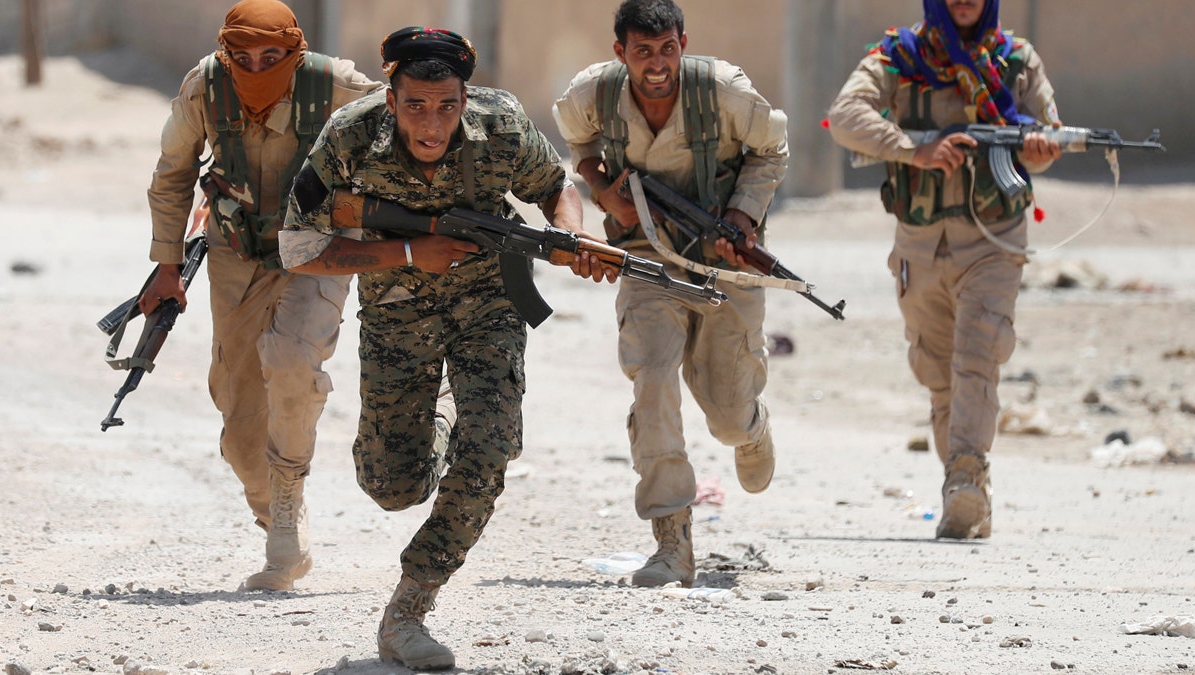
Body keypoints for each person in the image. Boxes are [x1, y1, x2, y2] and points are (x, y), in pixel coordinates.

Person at [279, 26, 615, 670]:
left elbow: (555, 185)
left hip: (490, 306)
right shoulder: (349, 136)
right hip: (396, 316)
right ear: (389, 96)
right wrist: (409, 250)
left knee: (489, 449)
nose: (432, 125)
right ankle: (438, 422)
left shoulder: (503, 123)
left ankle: (409, 608)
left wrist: (571, 235)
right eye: (415, 106)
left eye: (447, 105)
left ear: (466, 95)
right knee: (392, 486)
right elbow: (300, 248)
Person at [139, 0, 385, 591]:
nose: (255, 68)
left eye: (271, 57)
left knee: (294, 360)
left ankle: (285, 516)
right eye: (242, 56)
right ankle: (280, 512)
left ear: (295, 52)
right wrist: (166, 265)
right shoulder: (206, 86)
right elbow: (172, 173)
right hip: (236, 252)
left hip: (320, 250)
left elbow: (411, 130)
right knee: (239, 417)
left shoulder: (334, 84)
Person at [553, 0, 789, 588]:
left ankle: (752, 429)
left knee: (727, 415)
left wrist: (743, 217)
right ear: (620, 53)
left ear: (683, 42)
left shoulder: (724, 92)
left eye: (666, 50)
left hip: (722, 265)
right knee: (652, 379)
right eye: (641, 52)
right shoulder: (594, 96)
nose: (655, 65)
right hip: (644, 257)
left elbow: (771, 150)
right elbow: (577, 144)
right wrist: (607, 195)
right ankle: (671, 539)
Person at [827, 0, 1063, 539]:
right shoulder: (899, 56)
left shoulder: (1015, 60)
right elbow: (845, 117)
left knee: (979, 351)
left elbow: (1048, 136)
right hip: (920, 242)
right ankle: (965, 490)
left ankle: (966, 478)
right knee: (939, 376)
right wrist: (916, 149)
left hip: (993, 240)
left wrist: (1040, 146)